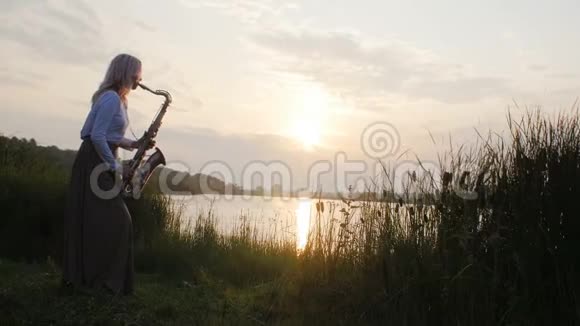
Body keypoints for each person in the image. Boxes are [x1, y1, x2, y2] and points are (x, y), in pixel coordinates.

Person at [62, 53, 153, 295]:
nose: (140, 80)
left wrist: (133, 145)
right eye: (137, 74)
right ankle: (102, 282)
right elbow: (95, 135)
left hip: (100, 160)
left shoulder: (120, 100)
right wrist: (115, 166)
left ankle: (97, 280)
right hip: (94, 162)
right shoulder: (111, 99)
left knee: (99, 223)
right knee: (118, 221)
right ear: (124, 72)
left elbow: (109, 135)